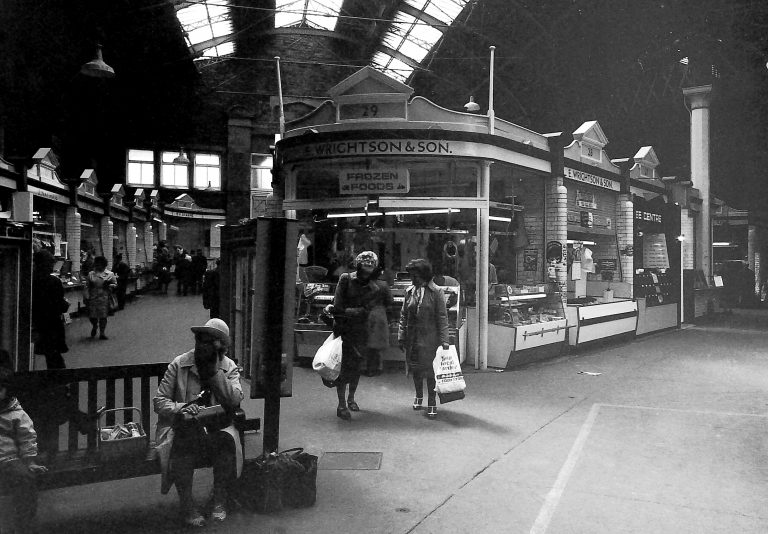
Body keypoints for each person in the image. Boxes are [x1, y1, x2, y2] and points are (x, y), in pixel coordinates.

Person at [153, 318, 243, 527]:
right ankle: (188, 505)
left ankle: (219, 500)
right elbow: (160, 401)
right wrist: (181, 408)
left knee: (225, 444)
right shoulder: (180, 363)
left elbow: (234, 399)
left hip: (215, 427)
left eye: (208, 341)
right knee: (183, 448)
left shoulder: (228, 367)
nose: (201, 345)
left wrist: (214, 374)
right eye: (199, 339)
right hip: (182, 428)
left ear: (219, 346)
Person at [324, 251, 380, 420]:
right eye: (366, 262)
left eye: (372, 263)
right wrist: (353, 312)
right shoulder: (345, 279)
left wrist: (347, 311)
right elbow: (338, 306)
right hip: (343, 329)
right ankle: (341, 405)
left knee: (356, 368)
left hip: (360, 332)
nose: (368, 266)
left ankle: (351, 399)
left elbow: (366, 311)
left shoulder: (374, 288)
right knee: (341, 368)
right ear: (359, 264)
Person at [398, 258, 449, 420]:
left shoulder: (437, 292)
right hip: (413, 338)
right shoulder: (409, 291)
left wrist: (444, 340)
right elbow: (403, 316)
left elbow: (442, 318)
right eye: (411, 276)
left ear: (424, 275)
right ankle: (419, 396)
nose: (413, 279)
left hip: (430, 339)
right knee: (416, 370)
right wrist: (401, 336)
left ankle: (432, 401)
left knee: (431, 372)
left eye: (415, 276)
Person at [0, 366, 48, 533]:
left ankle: (24, 524)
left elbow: (27, 437)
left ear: (6, 391)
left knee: (25, 481)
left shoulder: (15, 413)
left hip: (9, 460)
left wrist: (29, 461)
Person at [31, 249, 69, 369]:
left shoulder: (29, 280)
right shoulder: (54, 281)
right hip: (52, 324)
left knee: (47, 353)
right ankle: (59, 381)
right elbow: (61, 305)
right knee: (53, 355)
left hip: (36, 322)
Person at [365, 263, 394, 377]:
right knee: (378, 343)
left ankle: (368, 368)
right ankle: (379, 367)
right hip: (380, 314)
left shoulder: (364, 285)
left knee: (368, 342)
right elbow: (390, 300)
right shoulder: (383, 284)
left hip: (366, 313)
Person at [83, 255, 117, 340]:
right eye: (97, 264)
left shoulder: (110, 274)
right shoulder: (91, 274)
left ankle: (102, 333)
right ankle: (95, 325)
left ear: (104, 265)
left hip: (104, 297)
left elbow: (115, 285)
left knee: (103, 316)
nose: (98, 266)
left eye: (100, 264)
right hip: (93, 297)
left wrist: (110, 285)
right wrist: (86, 296)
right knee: (92, 316)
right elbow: (86, 286)